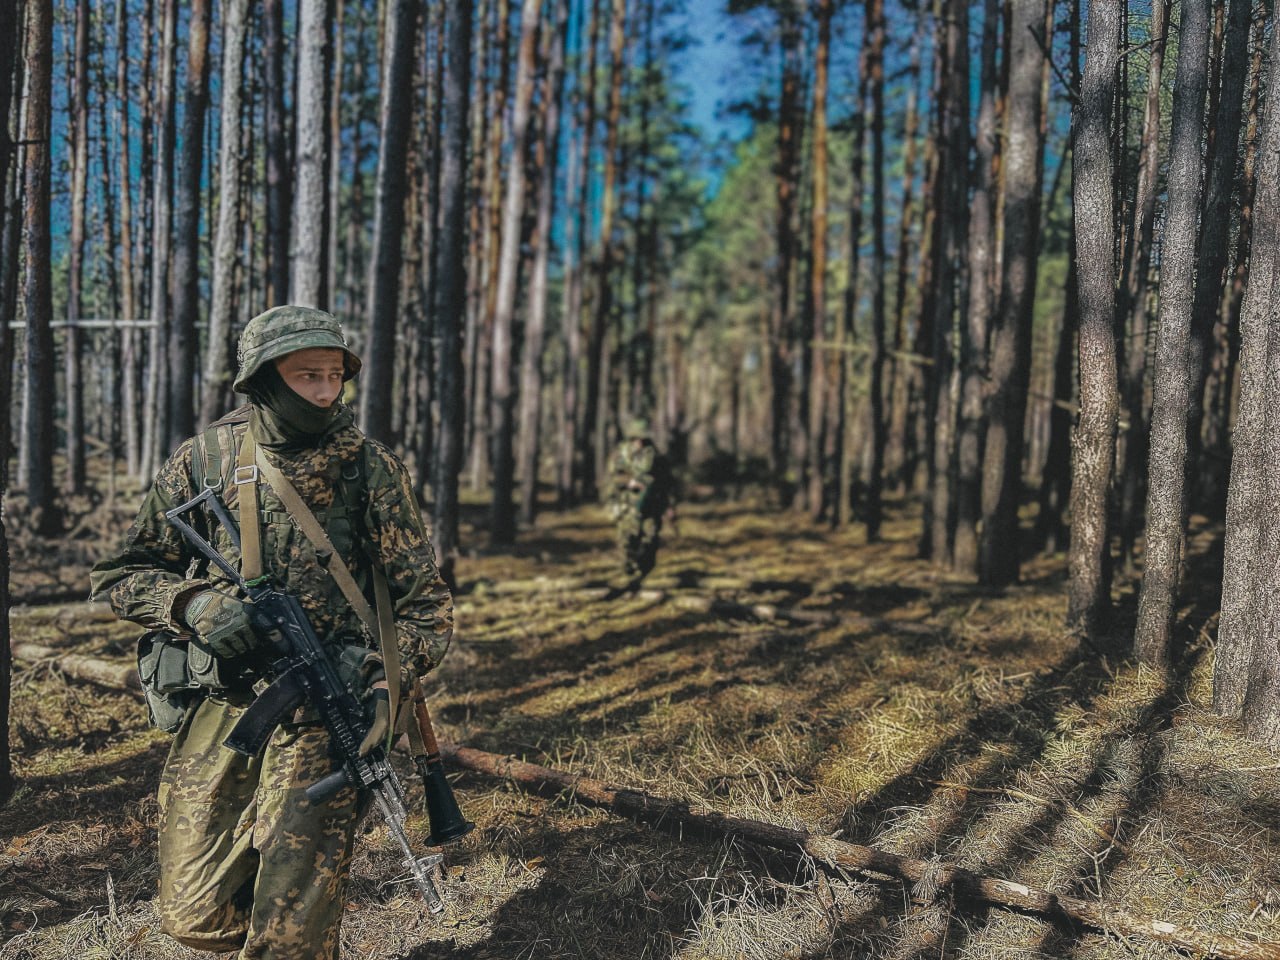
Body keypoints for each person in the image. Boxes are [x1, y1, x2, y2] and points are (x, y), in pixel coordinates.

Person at [90, 305, 453, 960]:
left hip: (329, 717)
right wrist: (193, 603)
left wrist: (377, 677)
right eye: (304, 375)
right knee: (191, 915)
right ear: (261, 380)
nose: (322, 391)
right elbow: (122, 573)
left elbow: (427, 607)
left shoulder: (369, 471)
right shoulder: (202, 461)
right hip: (228, 704)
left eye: (333, 375)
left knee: (288, 936)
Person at [603, 416, 677, 581]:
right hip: (627, 505)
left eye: (643, 438)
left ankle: (643, 571)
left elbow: (667, 482)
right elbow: (611, 478)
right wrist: (629, 482)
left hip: (652, 504)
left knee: (650, 539)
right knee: (628, 541)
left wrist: (670, 507)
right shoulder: (620, 455)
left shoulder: (655, 456)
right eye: (637, 438)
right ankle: (630, 572)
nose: (640, 442)